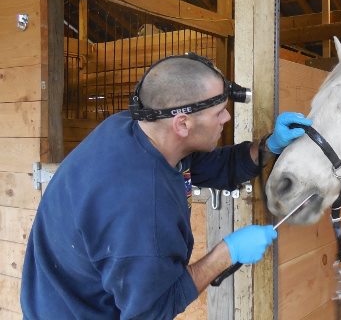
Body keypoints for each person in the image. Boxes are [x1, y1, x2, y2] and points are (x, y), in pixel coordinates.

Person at [20, 53, 312, 319]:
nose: (227, 117)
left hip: (66, 294)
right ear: (182, 125)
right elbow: (153, 311)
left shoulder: (137, 129)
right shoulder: (142, 210)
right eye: (219, 112)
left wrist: (270, 145)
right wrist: (226, 253)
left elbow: (219, 166)